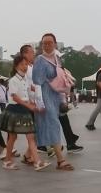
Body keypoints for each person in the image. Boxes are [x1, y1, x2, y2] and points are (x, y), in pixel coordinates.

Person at [30, 33, 74, 171]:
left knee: (42, 127)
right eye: (44, 43)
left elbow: (61, 79)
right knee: (53, 124)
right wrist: (40, 103)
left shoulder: (57, 59)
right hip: (44, 96)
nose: (47, 45)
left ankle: (27, 155)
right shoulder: (40, 60)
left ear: (55, 43)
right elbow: (36, 83)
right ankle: (60, 160)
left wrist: (63, 99)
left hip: (56, 97)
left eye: (50, 42)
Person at [2, 54, 49, 171]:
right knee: (12, 137)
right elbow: (15, 97)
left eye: (26, 64)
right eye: (22, 64)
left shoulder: (26, 80)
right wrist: (29, 105)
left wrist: (43, 94)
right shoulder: (13, 80)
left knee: (30, 136)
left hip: (24, 109)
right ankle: (7, 161)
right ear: (16, 66)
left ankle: (37, 161)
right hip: (15, 110)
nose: (25, 66)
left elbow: (32, 90)